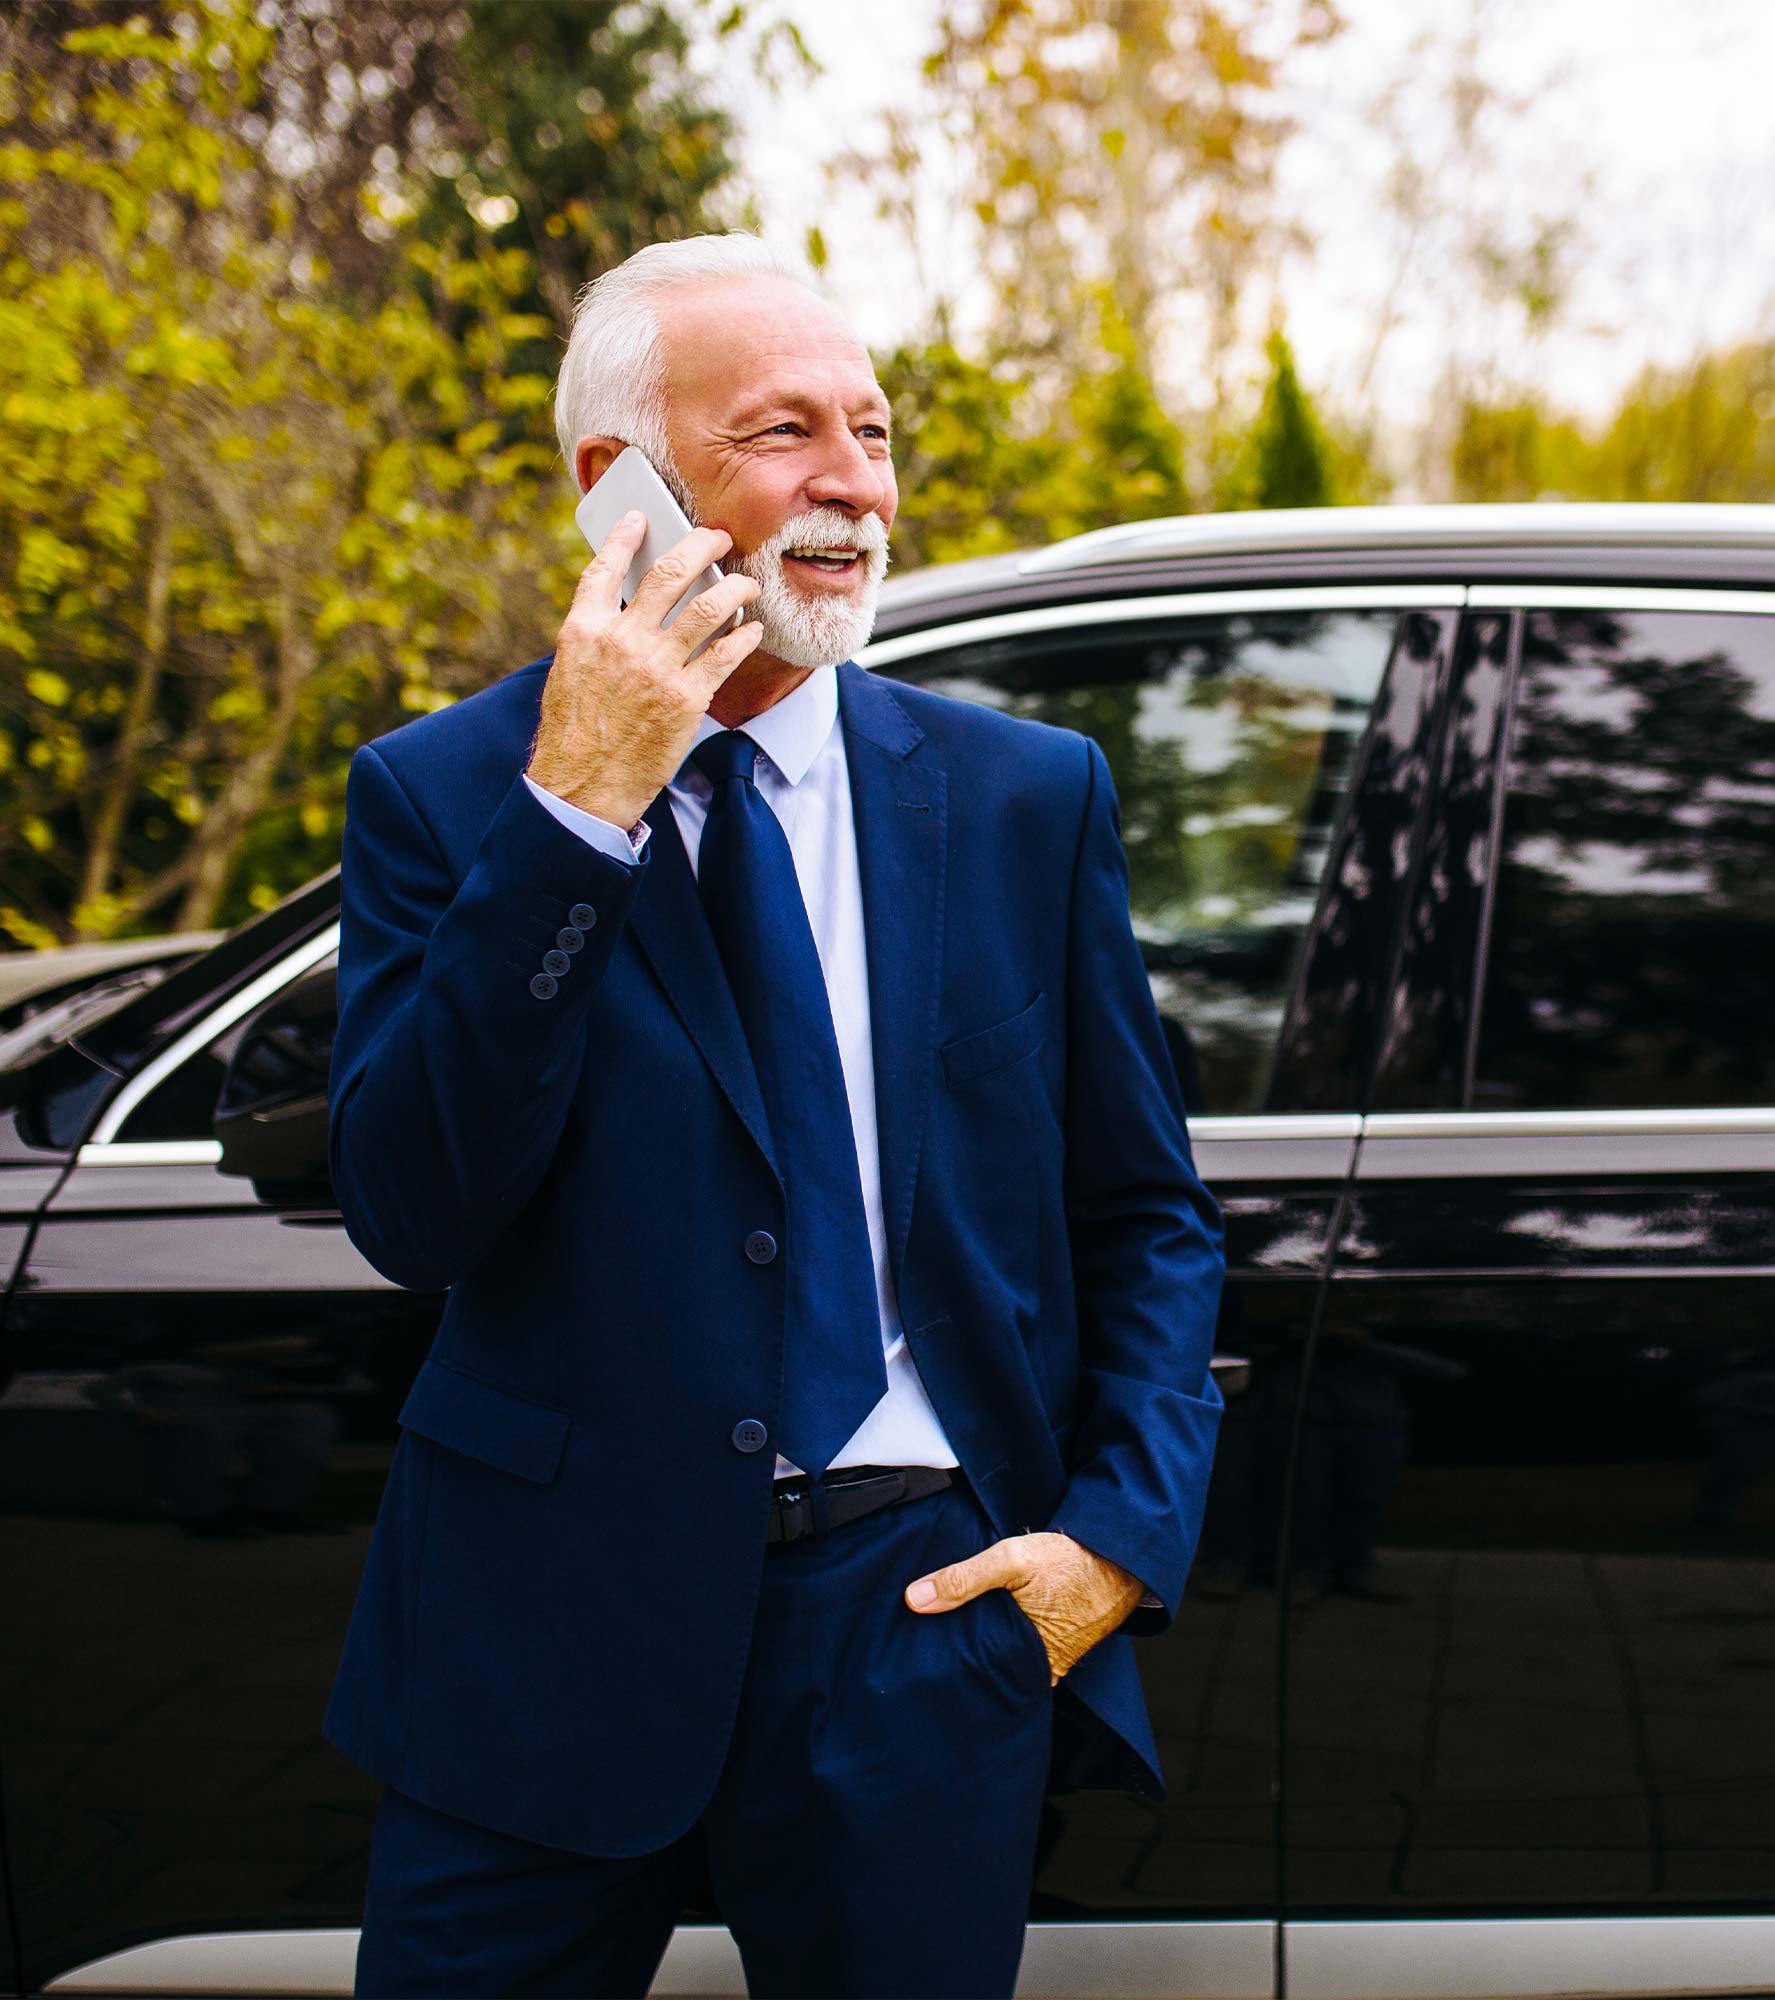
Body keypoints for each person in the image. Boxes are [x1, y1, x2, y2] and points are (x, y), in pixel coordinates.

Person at [322, 232, 1226, 2000]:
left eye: (873, 435)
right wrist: (578, 808)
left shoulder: (1025, 796)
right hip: (541, 1628)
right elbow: (415, 1209)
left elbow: (1147, 1215)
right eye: (782, 434)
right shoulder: (442, 797)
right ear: (619, 490)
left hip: (921, 1623)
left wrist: (1115, 1545)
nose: (853, 486)